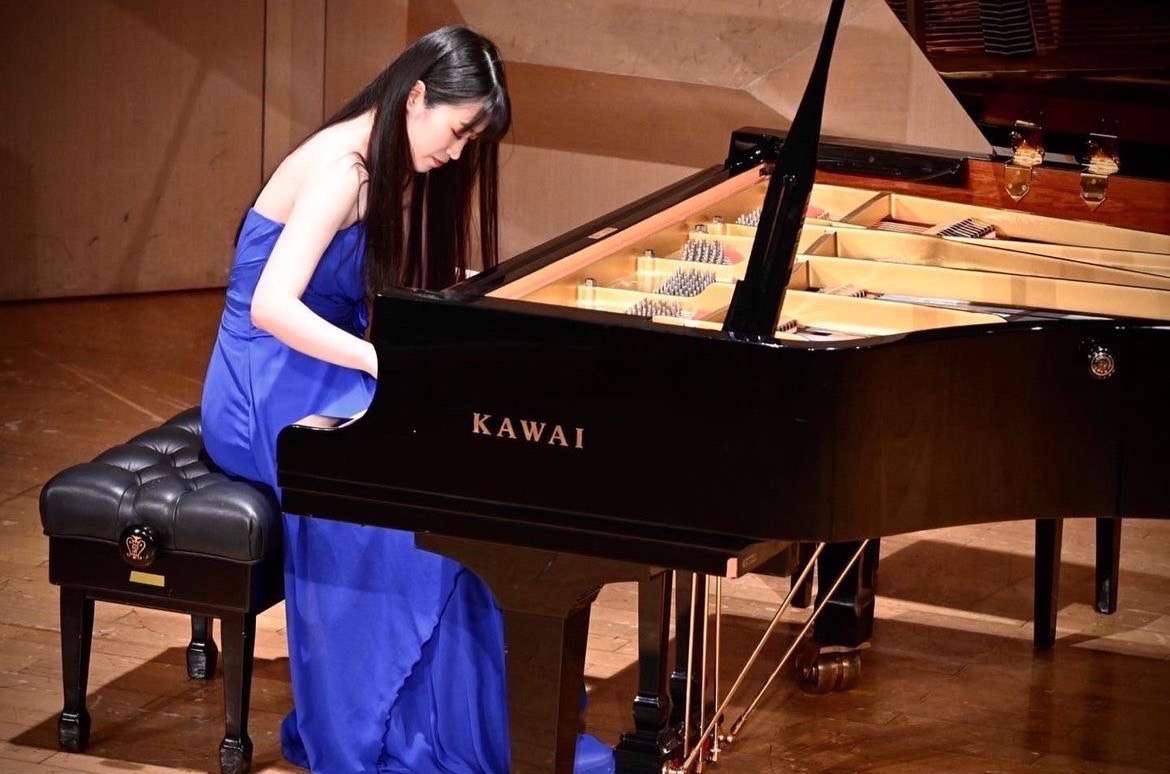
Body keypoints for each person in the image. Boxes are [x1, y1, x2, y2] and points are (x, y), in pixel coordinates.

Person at [200, 25, 614, 774]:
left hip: (319, 362)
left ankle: (462, 718)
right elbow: (271, 305)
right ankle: (390, 722)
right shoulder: (344, 169)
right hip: (265, 382)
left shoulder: (384, 158)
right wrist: (381, 360)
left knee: (453, 473)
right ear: (418, 95)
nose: (457, 152)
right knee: (397, 505)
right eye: (459, 131)